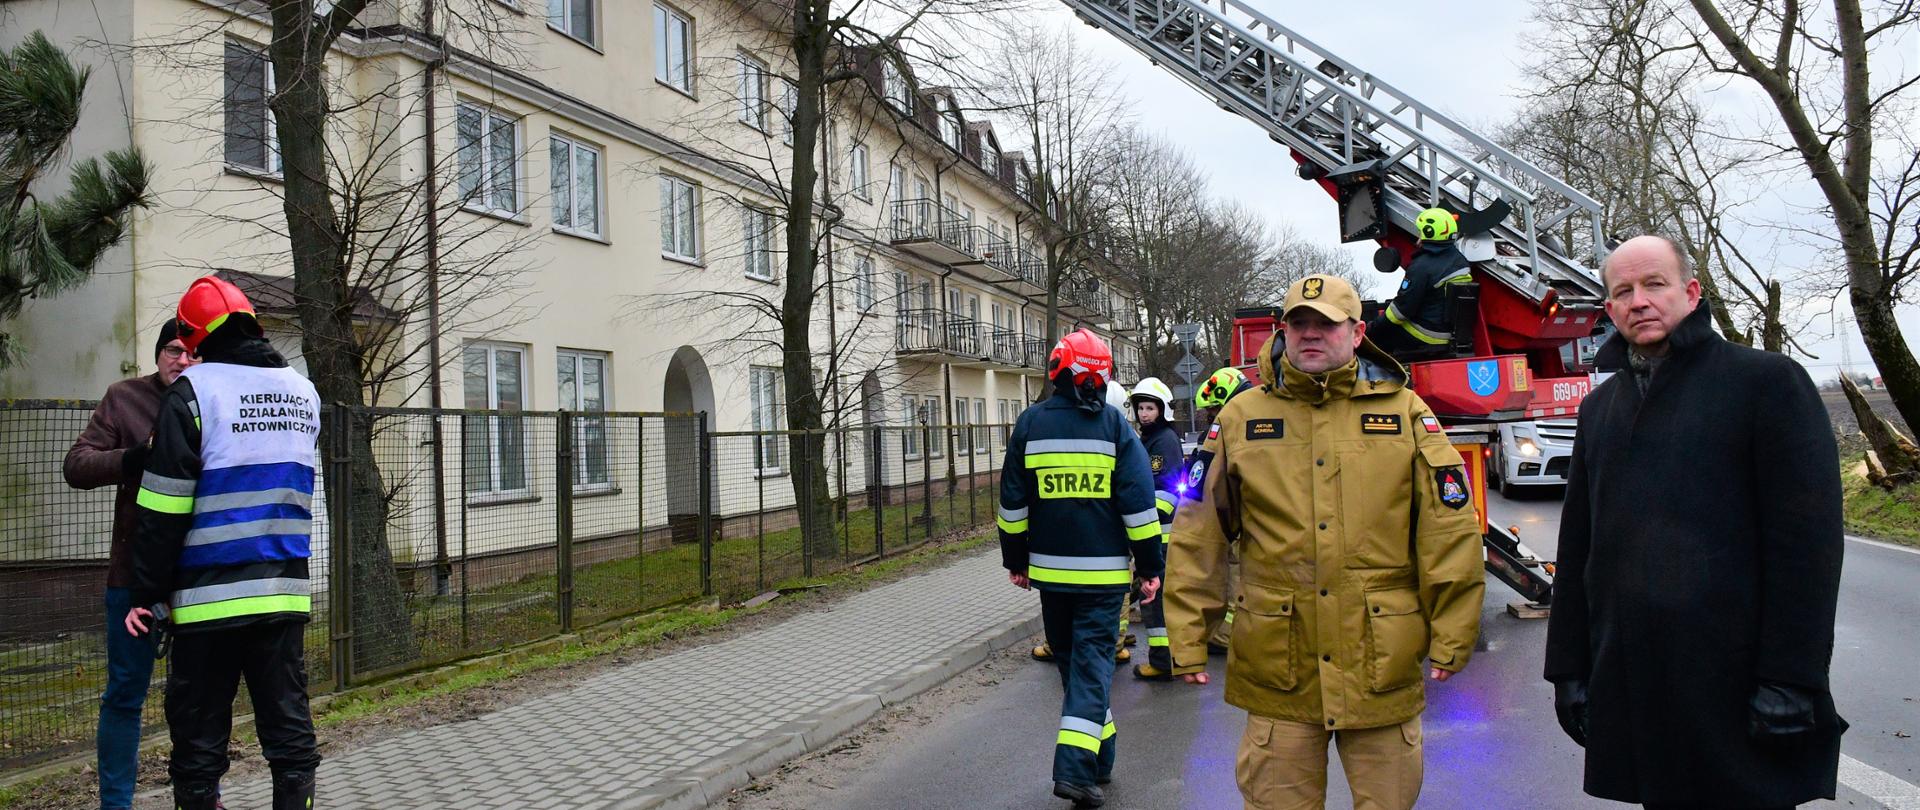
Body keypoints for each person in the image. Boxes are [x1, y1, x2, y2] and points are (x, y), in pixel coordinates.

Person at [1543, 235, 1847, 809]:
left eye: (1654, 284)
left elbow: (1807, 548)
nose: (1639, 301)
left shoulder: (1765, 383)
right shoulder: (1599, 409)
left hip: (1737, 684)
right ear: (1608, 310)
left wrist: (1792, 676)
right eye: (1623, 292)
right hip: (1637, 680)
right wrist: (1568, 668)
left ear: (1690, 291)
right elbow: (1582, 544)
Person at [1165, 274, 1484, 810]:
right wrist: (1188, 633)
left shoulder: (1405, 412)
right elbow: (1199, 531)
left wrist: (1453, 632)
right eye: (1299, 324)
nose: (1311, 334)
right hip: (1278, 666)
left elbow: (1447, 530)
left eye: (1326, 324)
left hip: (1379, 662)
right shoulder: (1242, 419)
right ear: (1282, 332)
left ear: (1357, 333)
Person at [124, 276, 323, 810]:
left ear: (191, 336)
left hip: (207, 603)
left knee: (198, 741)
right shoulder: (304, 391)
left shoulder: (193, 393)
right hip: (283, 597)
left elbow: (163, 509)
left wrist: (147, 594)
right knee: (288, 732)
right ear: (254, 324)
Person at [998, 329, 1164, 808]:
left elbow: (1012, 503)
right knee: (1090, 673)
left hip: (1050, 576)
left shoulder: (1030, 423)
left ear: (1057, 369)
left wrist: (1016, 560)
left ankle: (1100, 760)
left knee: (1077, 671)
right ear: (1102, 374)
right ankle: (1073, 771)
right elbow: (1138, 506)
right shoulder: (1115, 426)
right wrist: (1150, 566)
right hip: (1103, 577)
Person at [64, 322, 201, 810]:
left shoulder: (214, 401)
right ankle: (116, 803)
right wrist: (131, 458)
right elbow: (76, 464)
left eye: (192, 353)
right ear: (158, 353)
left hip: (198, 575)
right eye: (172, 351)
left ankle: (200, 793)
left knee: (200, 695)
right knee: (125, 693)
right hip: (132, 577)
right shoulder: (123, 397)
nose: (181, 361)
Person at [1032, 378, 1140, 666]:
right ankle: (1113, 643)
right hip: (1110, 551)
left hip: (1063, 555)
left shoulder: (1050, 430)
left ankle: (1107, 643)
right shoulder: (1123, 436)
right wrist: (1149, 558)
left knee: (1069, 625)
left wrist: (1017, 559)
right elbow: (1136, 500)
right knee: (1113, 603)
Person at [1125, 377, 1184, 681]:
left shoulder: (1163, 442)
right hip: (1154, 534)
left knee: (1154, 601)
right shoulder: (1148, 439)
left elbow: (1166, 492)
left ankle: (1162, 662)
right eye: (1141, 407)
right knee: (1153, 599)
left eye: (1150, 408)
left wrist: (1140, 524)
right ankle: (1168, 658)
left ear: (1162, 411)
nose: (1145, 413)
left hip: (1161, 536)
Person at [1190, 366, 1250, 651]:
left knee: (1236, 573)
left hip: (1237, 516)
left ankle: (1227, 635)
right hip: (1240, 514)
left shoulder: (1234, 426)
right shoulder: (1252, 418)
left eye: (1213, 410)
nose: (1211, 417)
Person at [1367, 207, 1474, 355]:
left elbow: (1401, 311)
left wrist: (1372, 328)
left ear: (1429, 232)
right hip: (1448, 335)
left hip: (1425, 335)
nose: (1418, 235)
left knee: (1375, 341)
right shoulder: (1460, 261)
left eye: (1420, 231)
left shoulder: (1421, 266)